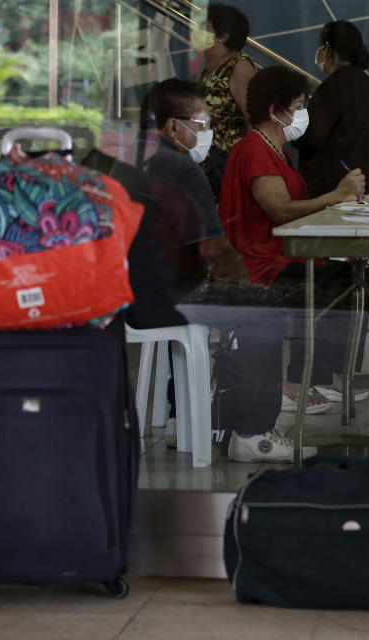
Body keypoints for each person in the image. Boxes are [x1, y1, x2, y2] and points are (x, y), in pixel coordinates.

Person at [84, 79, 311, 463]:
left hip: (112, 298)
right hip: (161, 301)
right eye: (202, 125)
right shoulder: (176, 165)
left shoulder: (117, 159)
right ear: (173, 127)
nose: (206, 135)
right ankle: (253, 434)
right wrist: (248, 287)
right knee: (263, 307)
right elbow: (215, 250)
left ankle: (178, 414)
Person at [219, 66, 366, 413]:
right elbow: (281, 211)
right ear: (275, 110)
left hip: (284, 255)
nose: (303, 114)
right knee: (329, 284)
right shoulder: (255, 149)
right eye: (298, 105)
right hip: (260, 264)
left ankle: (324, 373)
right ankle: (299, 379)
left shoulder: (276, 148)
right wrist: (336, 195)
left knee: (351, 274)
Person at [293, 20, 369, 198]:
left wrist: (293, 114)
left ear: (328, 48)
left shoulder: (336, 84)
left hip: (334, 188)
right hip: (364, 183)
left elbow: (310, 135)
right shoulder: (366, 83)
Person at [194, 3, 258, 196]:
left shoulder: (239, 67)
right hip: (207, 165)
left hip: (230, 166)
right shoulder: (207, 70)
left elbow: (254, 121)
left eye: (203, 29)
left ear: (222, 36)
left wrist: (248, 169)